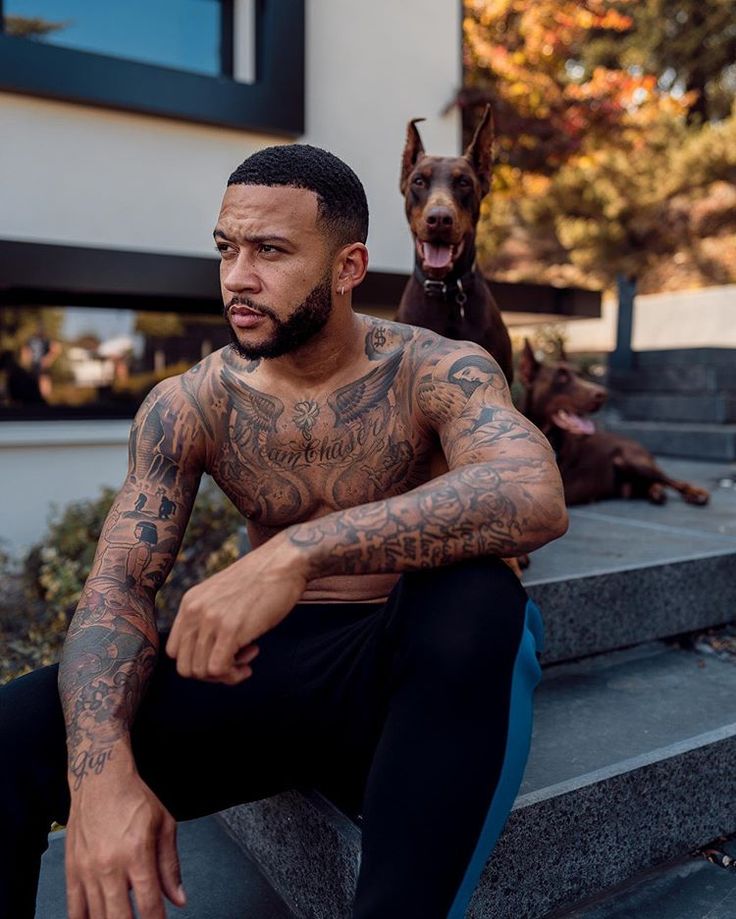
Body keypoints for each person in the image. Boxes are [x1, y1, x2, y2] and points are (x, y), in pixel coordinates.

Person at [0, 144, 568, 919]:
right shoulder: (189, 404)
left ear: (348, 266)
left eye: (270, 250)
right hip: (263, 674)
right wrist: (96, 775)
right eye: (227, 248)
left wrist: (298, 552)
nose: (238, 276)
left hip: (410, 672)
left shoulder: (437, 368)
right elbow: (118, 586)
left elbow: (532, 492)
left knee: (476, 592)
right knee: (11, 730)